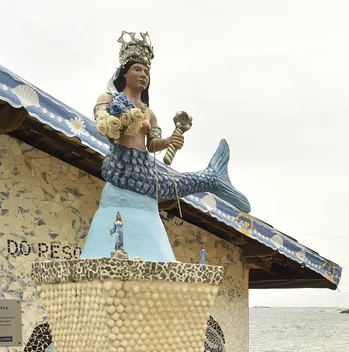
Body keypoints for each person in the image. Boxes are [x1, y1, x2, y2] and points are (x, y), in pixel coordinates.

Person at [79, 32, 250, 261]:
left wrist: (169, 141)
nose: (143, 75)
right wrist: (115, 121)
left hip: (146, 172)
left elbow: (152, 145)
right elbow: (102, 123)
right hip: (122, 168)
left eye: (146, 71)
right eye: (138, 69)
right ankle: (211, 178)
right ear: (124, 73)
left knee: (169, 184)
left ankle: (212, 178)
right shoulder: (109, 99)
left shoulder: (150, 112)